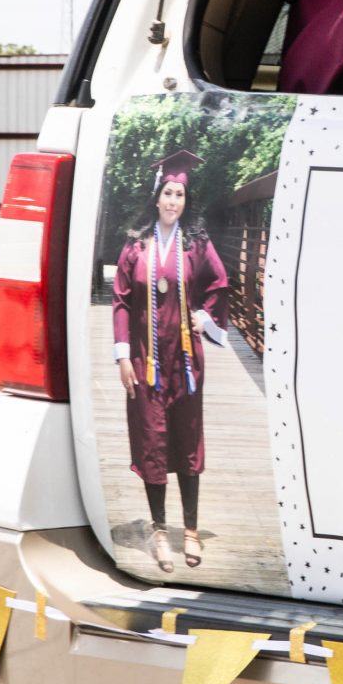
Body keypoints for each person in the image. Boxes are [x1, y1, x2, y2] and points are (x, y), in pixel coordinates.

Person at [113, 153, 229, 573]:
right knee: (152, 441)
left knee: (187, 438)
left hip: (185, 361)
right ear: (156, 196)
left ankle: (191, 529)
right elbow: (122, 300)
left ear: (185, 199)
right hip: (146, 362)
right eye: (167, 193)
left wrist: (205, 318)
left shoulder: (195, 244)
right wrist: (122, 355)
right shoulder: (136, 245)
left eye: (179, 194)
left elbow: (219, 283)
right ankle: (160, 530)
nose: (173, 201)